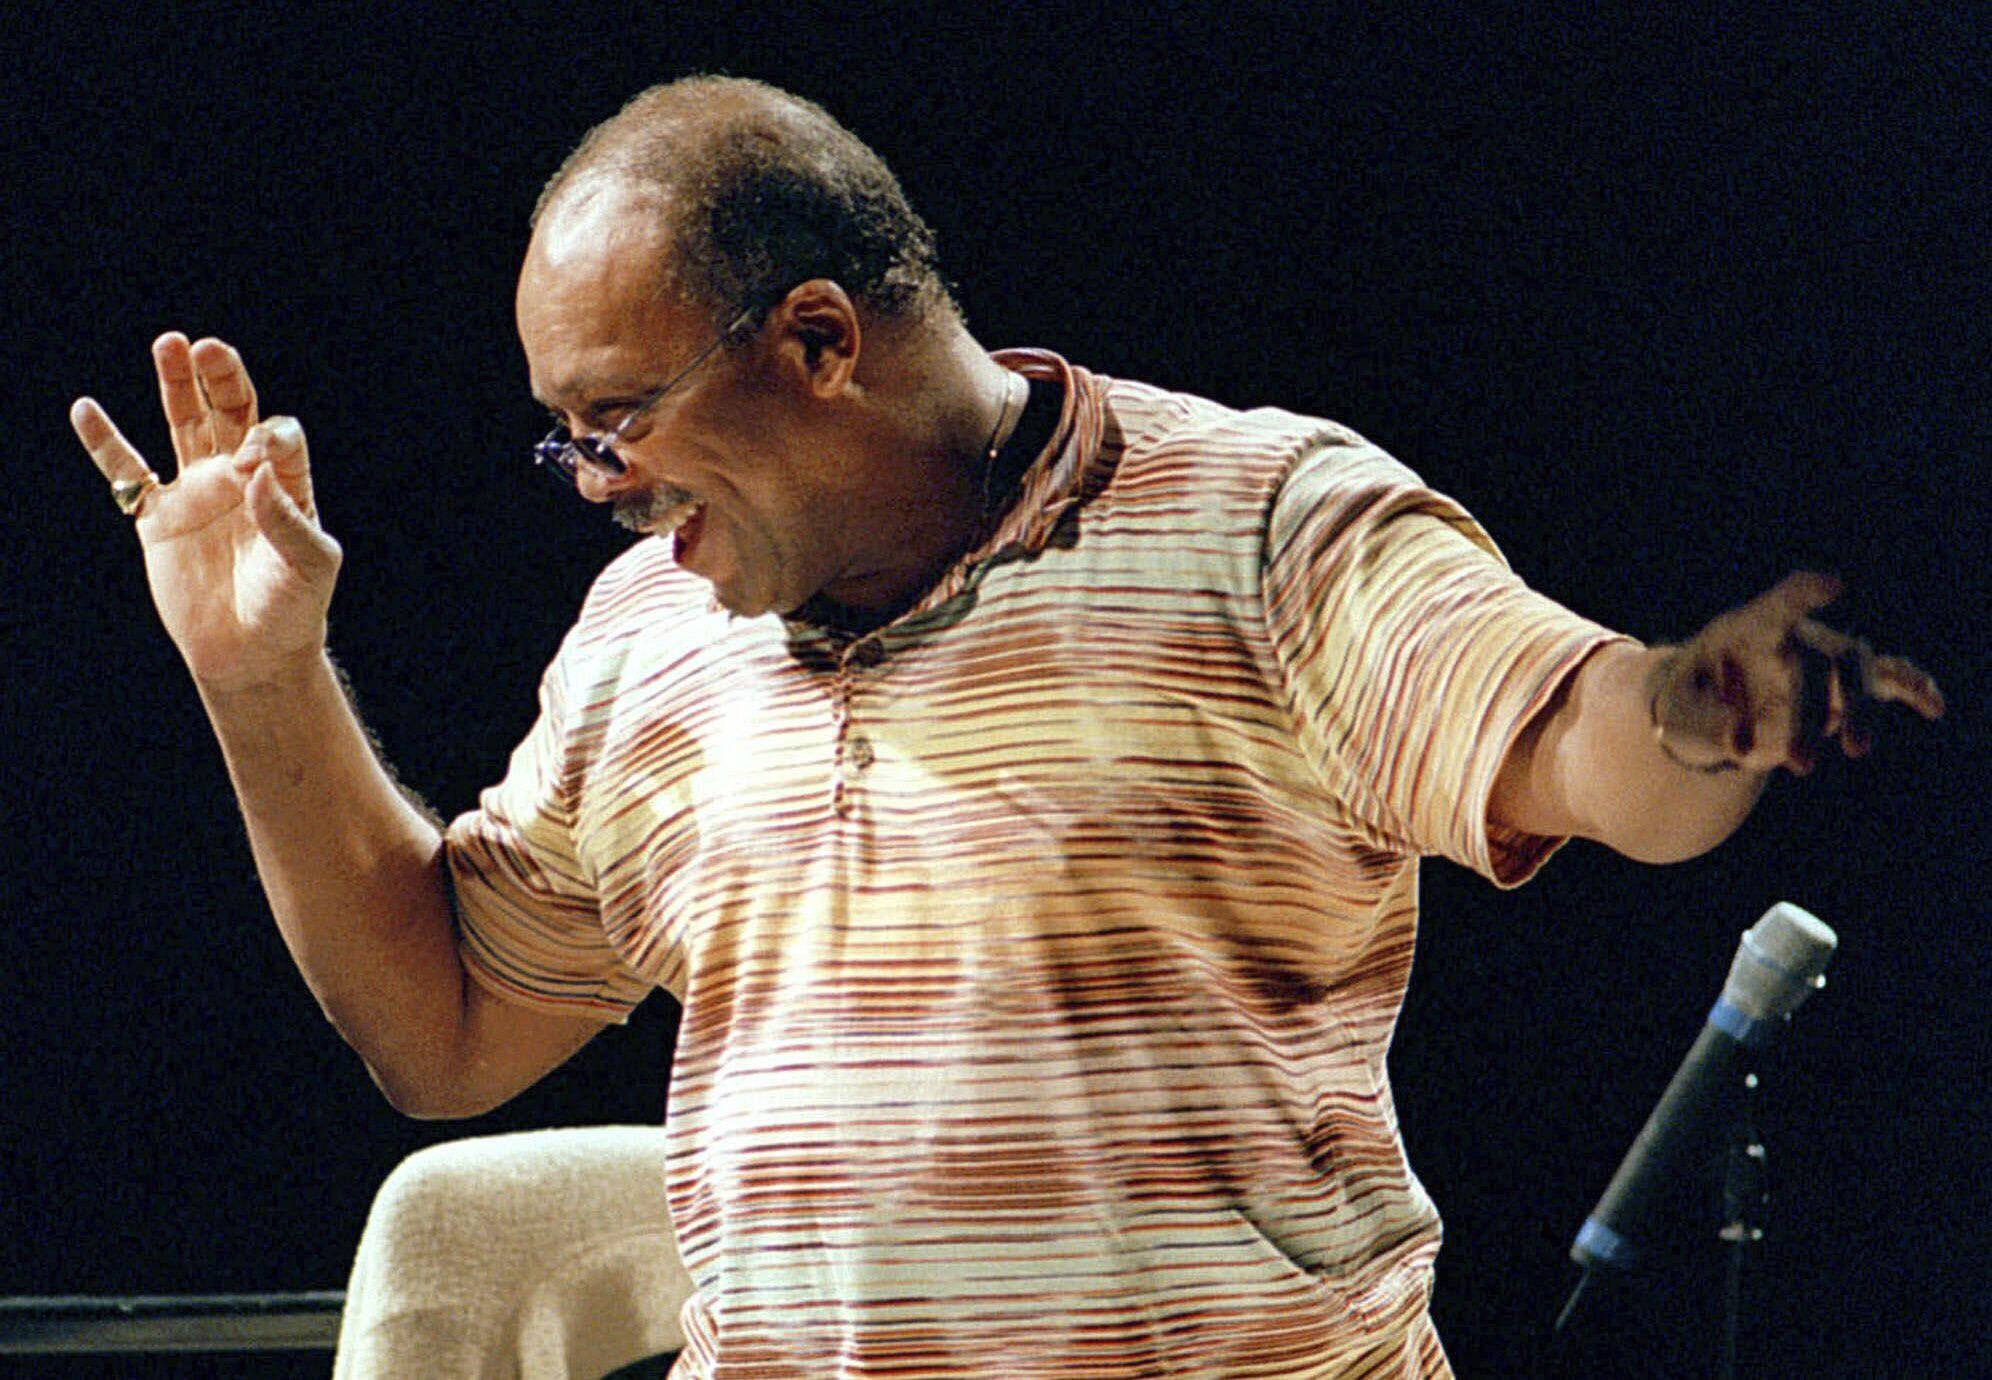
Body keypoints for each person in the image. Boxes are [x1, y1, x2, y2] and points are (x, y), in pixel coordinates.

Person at [71, 75, 1944, 1379]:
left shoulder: (1263, 529)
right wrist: (259, 681)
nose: (591, 479)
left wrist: (1690, 711)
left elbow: (1580, 750)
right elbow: (445, 1027)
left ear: (816, 340)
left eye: (618, 416)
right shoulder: (651, 638)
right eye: (562, 433)